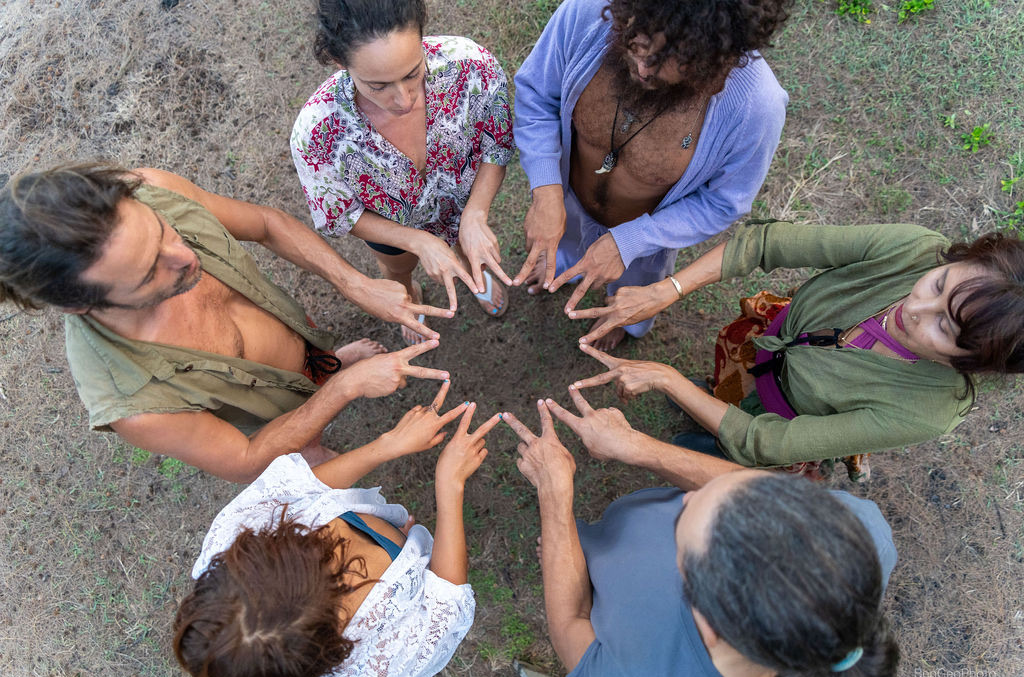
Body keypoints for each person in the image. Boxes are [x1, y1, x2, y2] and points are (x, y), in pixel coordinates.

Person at [0, 163, 455, 482]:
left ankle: (329, 364)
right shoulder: (136, 403)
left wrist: (355, 284)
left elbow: (264, 224)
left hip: (297, 343)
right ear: (80, 305)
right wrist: (347, 387)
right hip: (271, 423)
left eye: (162, 230)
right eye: (147, 273)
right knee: (305, 450)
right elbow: (244, 459)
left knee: (314, 357)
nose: (185, 256)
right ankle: (320, 450)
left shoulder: (153, 187)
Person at [569, 221, 1024, 478]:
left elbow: (765, 442)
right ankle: (707, 404)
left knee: (712, 449)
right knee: (717, 394)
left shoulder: (925, 410)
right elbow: (765, 244)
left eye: (944, 327)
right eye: (940, 283)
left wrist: (665, 378)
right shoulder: (918, 249)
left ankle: (701, 430)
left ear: (970, 360)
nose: (916, 306)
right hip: (760, 355)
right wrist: (667, 289)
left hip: (778, 417)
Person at [503, 400, 899, 677]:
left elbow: (570, 622)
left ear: (707, 623)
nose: (690, 495)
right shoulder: (861, 534)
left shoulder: (632, 676)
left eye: (682, 529)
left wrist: (554, 500)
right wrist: (640, 449)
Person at [174, 383, 501, 677]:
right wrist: (450, 486)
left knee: (392, 532)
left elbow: (303, 489)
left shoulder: (230, 546)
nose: (325, 548)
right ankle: (404, 548)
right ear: (331, 644)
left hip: (374, 532)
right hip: (405, 568)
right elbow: (446, 596)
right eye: (325, 567)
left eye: (286, 545)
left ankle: (399, 537)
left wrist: (388, 445)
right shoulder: (374, 667)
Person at [512, 0, 790, 350]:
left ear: (718, 62)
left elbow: (723, 203)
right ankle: (563, 261)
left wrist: (629, 242)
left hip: (647, 246)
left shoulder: (757, 107)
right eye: (637, 45)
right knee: (562, 238)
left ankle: (627, 323)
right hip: (568, 197)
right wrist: (547, 191)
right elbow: (537, 95)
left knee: (635, 293)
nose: (643, 69)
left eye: (669, 64)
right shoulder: (587, 11)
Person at [292, 0, 516, 345]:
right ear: (340, 63)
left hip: (461, 201)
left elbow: (495, 143)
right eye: (378, 86)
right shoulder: (317, 131)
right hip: (391, 229)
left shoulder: (472, 65)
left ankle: (475, 272)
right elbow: (342, 213)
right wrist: (416, 241)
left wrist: (476, 212)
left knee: (473, 247)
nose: (404, 99)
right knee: (398, 269)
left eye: (413, 73)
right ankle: (409, 297)